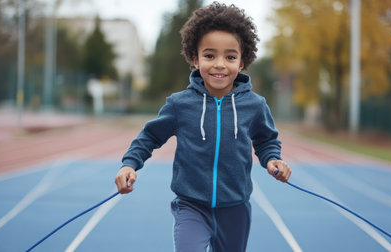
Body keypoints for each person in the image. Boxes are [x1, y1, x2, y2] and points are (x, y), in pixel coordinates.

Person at [115, 2, 292, 251]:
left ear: (242, 62)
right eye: (210, 56)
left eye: (230, 57)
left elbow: (266, 141)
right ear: (195, 59)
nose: (219, 64)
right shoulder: (180, 104)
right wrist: (129, 164)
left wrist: (273, 159)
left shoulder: (255, 105)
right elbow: (150, 137)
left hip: (235, 208)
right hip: (191, 206)